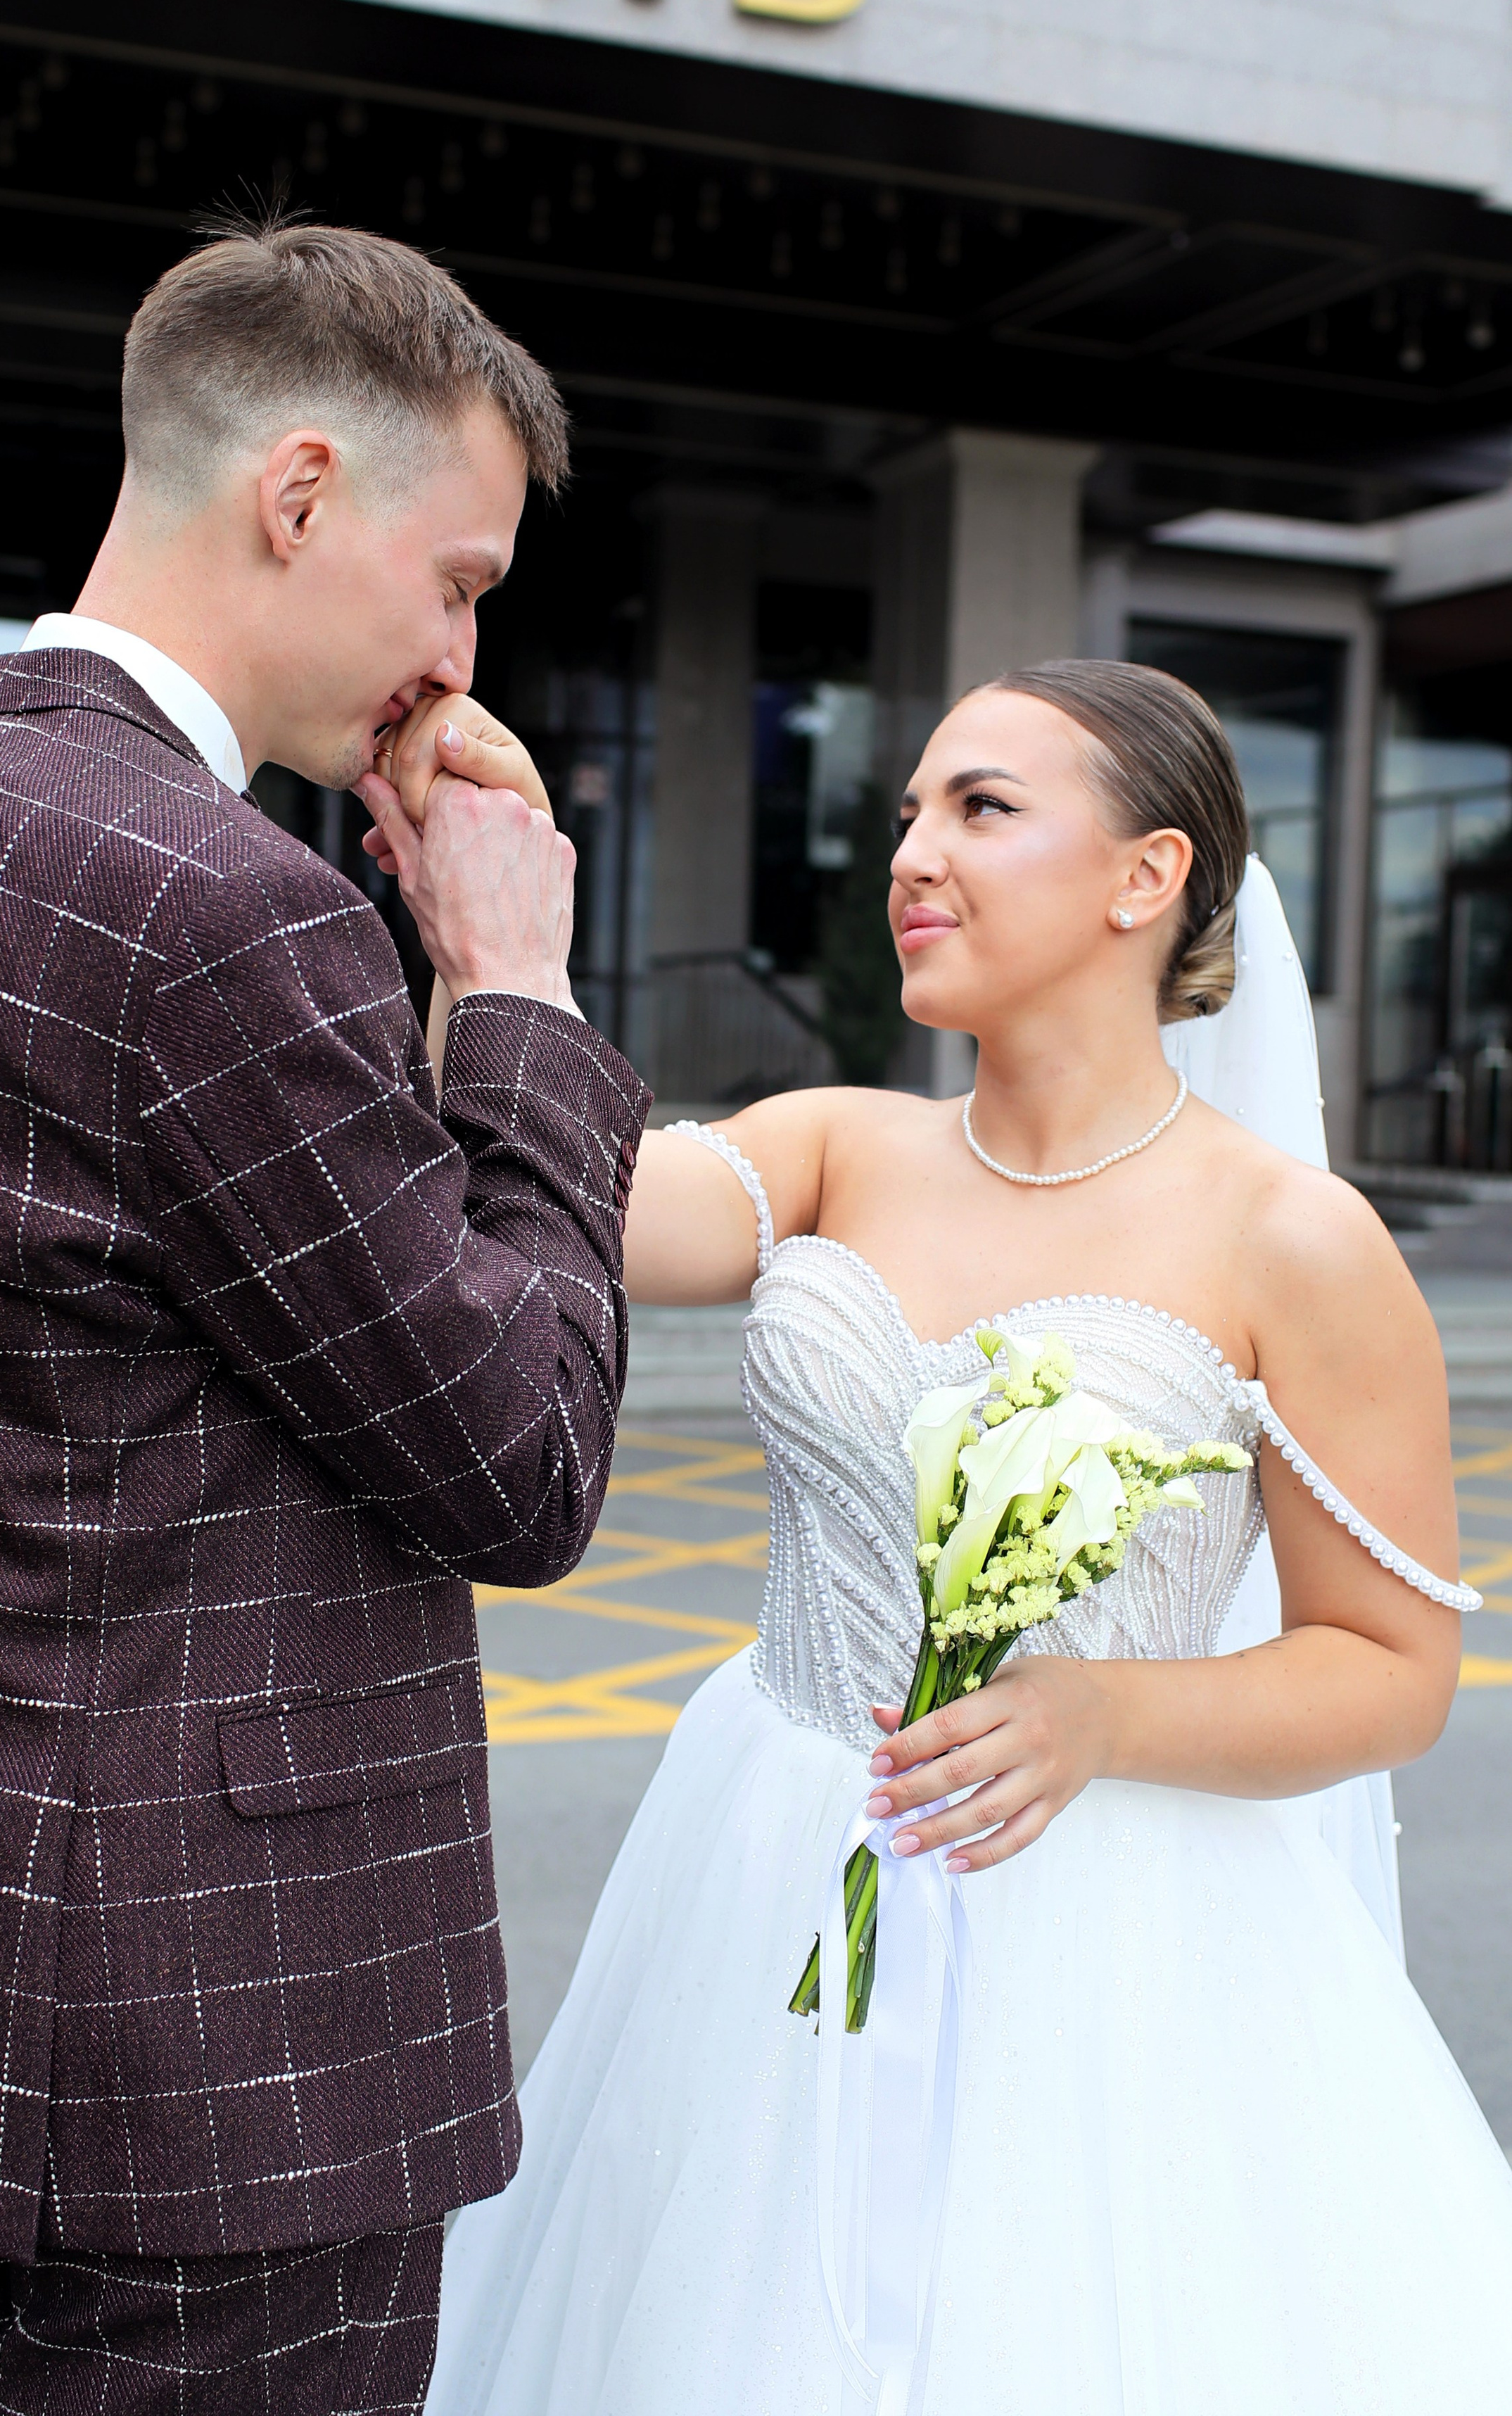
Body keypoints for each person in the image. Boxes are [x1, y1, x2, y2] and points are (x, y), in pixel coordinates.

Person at [0, 220, 650, 2414]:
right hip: (221, 2078)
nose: (457, 651)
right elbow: (523, 1463)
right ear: (300, 494)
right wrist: (511, 993)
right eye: (466, 580)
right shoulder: (225, 913)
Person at [368, 659, 1512, 2415]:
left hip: (1125, 1940)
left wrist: (1104, 1716)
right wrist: (491, 928)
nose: (910, 851)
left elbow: (1394, 1670)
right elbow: (549, 1185)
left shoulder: (1297, 1241)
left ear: (1145, 878)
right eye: (907, 811)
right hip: (774, 1862)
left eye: (979, 808)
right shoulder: (834, 1148)